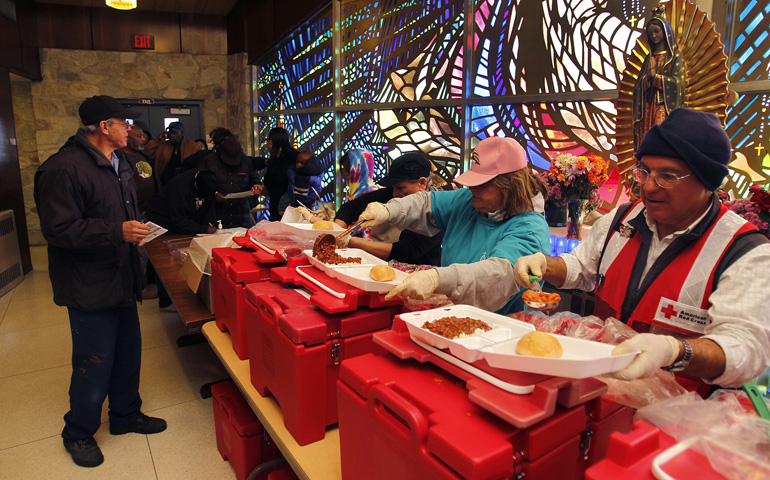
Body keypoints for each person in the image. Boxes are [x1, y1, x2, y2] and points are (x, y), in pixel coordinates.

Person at [513, 108, 770, 389]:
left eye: (668, 176)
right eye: (644, 171)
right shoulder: (621, 220)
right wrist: (544, 264)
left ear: (707, 181)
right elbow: (582, 269)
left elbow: (745, 350)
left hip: (677, 412)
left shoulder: (745, 253)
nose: (648, 186)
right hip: (598, 388)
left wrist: (674, 350)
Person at [33, 95, 166, 468]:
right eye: (125, 123)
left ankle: (125, 415)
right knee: (94, 360)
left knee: (128, 353)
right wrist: (116, 231)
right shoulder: (63, 168)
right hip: (88, 283)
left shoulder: (119, 161)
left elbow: (122, 210)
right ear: (104, 127)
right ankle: (78, 432)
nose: (132, 129)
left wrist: (135, 230)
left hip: (121, 274)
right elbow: (57, 229)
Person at [358, 137, 550, 314]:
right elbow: (426, 203)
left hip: (507, 327)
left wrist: (438, 279)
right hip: (459, 316)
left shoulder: (529, 228)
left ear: (510, 185)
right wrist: (391, 210)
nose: (473, 189)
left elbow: (496, 276)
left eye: (482, 184)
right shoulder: (469, 200)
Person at [301, 152, 444, 266]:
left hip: (417, 275)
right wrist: (338, 230)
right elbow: (351, 207)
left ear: (422, 183)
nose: (394, 193)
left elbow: (404, 252)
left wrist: (349, 241)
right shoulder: (391, 194)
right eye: (393, 187)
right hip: (381, 265)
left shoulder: (435, 210)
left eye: (400, 188)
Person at [632, 4, 684, 152]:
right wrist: (646, 80)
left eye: (657, 31)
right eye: (650, 33)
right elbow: (638, 87)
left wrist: (656, 77)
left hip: (664, 104)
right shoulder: (649, 58)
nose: (654, 35)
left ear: (665, 32)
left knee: (660, 133)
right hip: (648, 104)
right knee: (647, 136)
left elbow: (678, 83)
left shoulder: (674, 57)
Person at [198, 129, 263, 228]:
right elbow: (201, 185)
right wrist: (214, 194)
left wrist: (256, 188)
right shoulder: (209, 162)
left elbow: (255, 180)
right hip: (217, 215)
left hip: (241, 214)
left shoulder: (246, 162)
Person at [144, 168, 218, 235]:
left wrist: (211, 224)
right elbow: (178, 219)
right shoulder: (179, 188)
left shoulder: (208, 181)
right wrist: (203, 229)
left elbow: (209, 207)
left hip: (184, 222)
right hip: (162, 221)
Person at [253, 127, 299, 220]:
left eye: (267, 140)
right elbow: (271, 188)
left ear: (273, 140)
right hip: (275, 210)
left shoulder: (294, 157)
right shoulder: (274, 159)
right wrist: (261, 190)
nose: (266, 143)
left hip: (291, 212)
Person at [144, 120, 202, 190]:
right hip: (166, 184)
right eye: (170, 133)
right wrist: (157, 140)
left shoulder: (192, 146)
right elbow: (147, 153)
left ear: (182, 133)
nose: (171, 135)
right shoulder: (163, 146)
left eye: (174, 133)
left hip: (185, 185)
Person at [122, 120, 156, 215]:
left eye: (143, 136)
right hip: (132, 211)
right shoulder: (121, 159)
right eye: (139, 136)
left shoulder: (144, 156)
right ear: (127, 138)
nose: (143, 139)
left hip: (148, 208)